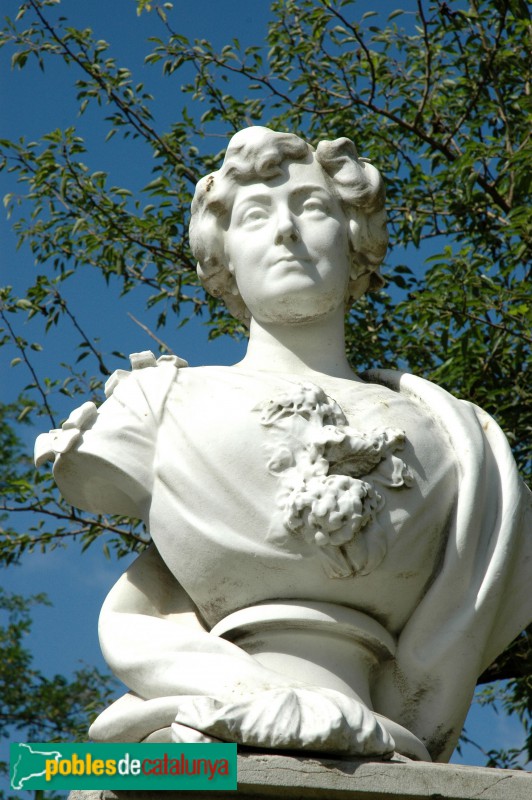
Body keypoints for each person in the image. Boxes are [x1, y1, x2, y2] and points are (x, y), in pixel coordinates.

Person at [35, 126, 531, 762]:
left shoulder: (459, 441)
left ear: (357, 244)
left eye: (314, 208)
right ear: (224, 257)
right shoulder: (153, 405)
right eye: (256, 215)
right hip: (203, 727)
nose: (287, 231)